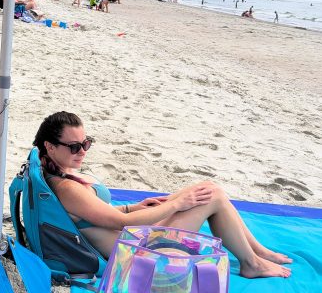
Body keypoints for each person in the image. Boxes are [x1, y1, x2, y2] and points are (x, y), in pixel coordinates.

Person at [32, 111, 292, 279]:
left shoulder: (57, 175)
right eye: (75, 146)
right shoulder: (66, 188)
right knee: (210, 196)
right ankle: (251, 263)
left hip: (132, 238)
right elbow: (116, 223)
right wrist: (177, 204)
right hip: (138, 253)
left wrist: (135, 206)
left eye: (86, 143)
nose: (83, 151)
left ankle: (257, 252)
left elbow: (104, 215)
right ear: (50, 146)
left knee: (208, 188)